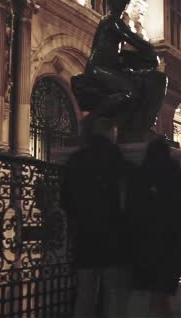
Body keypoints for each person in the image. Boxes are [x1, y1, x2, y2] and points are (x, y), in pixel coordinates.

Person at [71, 0, 167, 143]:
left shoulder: (116, 22)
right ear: (110, 2)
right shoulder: (111, 21)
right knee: (130, 93)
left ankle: (137, 129)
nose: (120, 4)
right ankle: (91, 119)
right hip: (99, 69)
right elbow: (133, 39)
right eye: (117, 0)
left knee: (152, 81)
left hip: (111, 68)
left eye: (123, 1)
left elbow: (123, 50)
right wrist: (150, 52)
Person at [60, 119, 133, 318]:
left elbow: (65, 200)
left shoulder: (76, 160)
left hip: (85, 237)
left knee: (85, 295)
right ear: (111, 132)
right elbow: (129, 202)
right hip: (114, 240)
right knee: (114, 296)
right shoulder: (118, 160)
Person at [126, 137, 181, 317]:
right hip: (169, 243)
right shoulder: (177, 178)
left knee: (142, 295)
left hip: (142, 245)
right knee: (161, 296)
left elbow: (130, 210)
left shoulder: (139, 177)